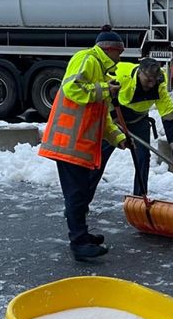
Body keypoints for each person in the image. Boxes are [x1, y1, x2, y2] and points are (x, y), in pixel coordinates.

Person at [39, 26, 128, 261]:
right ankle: (78, 243)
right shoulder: (86, 58)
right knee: (76, 194)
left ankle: (82, 234)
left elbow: (102, 115)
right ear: (110, 50)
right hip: (68, 142)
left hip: (79, 144)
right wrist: (105, 89)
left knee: (82, 192)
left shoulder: (100, 71)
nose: (119, 60)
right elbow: (71, 88)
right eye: (119, 53)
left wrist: (118, 138)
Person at [112, 58, 173, 196]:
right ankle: (81, 203)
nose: (151, 84)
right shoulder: (121, 75)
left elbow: (170, 119)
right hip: (115, 119)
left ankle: (140, 198)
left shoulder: (159, 87)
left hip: (139, 120)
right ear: (140, 73)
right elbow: (103, 97)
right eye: (148, 80)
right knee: (99, 159)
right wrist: (112, 119)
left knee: (143, 157)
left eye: (154, 80)